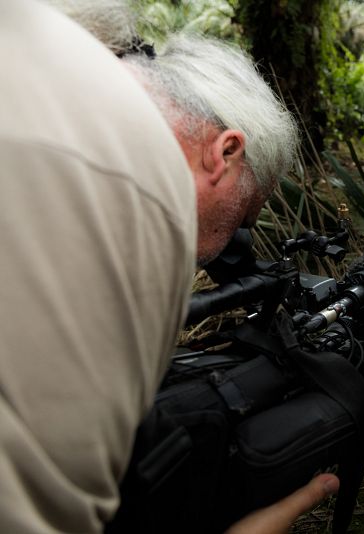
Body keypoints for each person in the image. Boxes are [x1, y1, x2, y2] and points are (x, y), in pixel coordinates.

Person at [0, 1, 336, 533]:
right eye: (243, 216)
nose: (226, 248)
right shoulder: (131, 194)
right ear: (224, 153)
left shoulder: (37, 77)